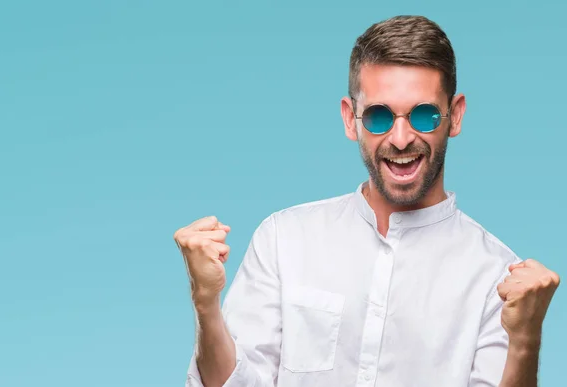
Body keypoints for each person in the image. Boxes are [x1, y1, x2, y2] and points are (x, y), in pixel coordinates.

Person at [174, 15, 560, 387]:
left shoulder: (496, 278)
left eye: (424, 115)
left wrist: (525, 339)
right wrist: (205, 302)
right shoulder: (283, 240)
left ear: (454, 116)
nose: (402, 138)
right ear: (350, 118)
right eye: (379, 117)